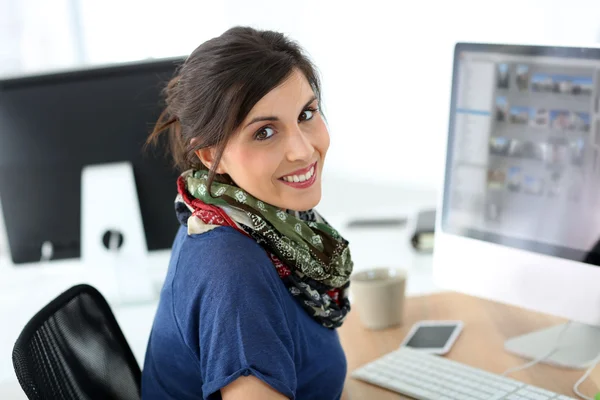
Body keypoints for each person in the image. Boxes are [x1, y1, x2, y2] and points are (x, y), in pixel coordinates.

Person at [141, 26, 354, 400]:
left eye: (306, 114)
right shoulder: (235, 274)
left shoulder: (224, 214)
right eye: (265, 132)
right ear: (211, 155)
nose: (303, 151)